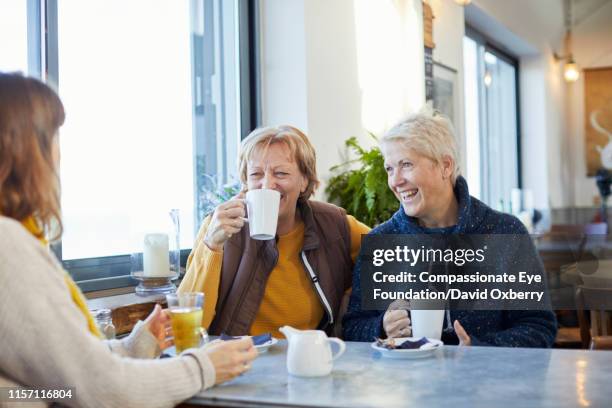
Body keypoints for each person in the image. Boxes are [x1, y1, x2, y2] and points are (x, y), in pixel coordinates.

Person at [0, 72, 257, 407]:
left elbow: (63, 375)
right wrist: (205, 367)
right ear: (24, 151)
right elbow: (102, 389)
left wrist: (137, 345)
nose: (59, 156)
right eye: (52, 138)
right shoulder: (9, 245)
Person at [342, 108, 558, 347]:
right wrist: (381, 326)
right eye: (390, 169)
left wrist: (477, 349)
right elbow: (352, 328)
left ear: (445, 166)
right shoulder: (381, 241)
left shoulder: (505, 232)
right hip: (405, 382)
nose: (395, 181)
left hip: (486, 381)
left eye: (406, 164)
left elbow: (539, 328)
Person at [179, 126, 370, 338]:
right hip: (237, 361)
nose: (267, 185)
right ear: (246, 183)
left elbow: (399, 256)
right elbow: (188, 328)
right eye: (256, 174)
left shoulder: (334, 225)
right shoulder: (217, 227)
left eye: (281, 173)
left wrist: (369, 314)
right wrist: (211, 246)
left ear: (304, 180)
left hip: (308, 359)